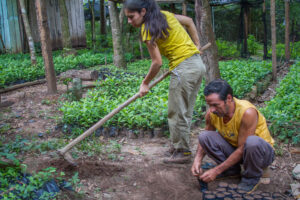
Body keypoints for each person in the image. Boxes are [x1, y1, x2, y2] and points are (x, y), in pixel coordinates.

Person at [124, 0, 206, 164]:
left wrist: (145, 83)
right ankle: (180, 147)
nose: (129, 21)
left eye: (131, 17)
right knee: (185, 111)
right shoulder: (166, 16)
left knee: (175, 112)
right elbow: (189, 21)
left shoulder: (147, 29)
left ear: (143, 12)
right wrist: (197, 44)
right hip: (197, 65)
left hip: (183, 69)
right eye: (127, 18)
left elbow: (157, 62)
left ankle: (182, 152)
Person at [191, 79, 275, 193]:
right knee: (204, 136)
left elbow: (242, 148)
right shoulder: (212, 114)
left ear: (229, 98)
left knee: (252, 142)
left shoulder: (247, 112)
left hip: (260, 154)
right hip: (238, 150)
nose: (211, 109)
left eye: (215, 105)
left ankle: (251, 177)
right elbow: (204, 140)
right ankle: (231, 170)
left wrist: (216, 171)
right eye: (209, 105)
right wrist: (197, 160)